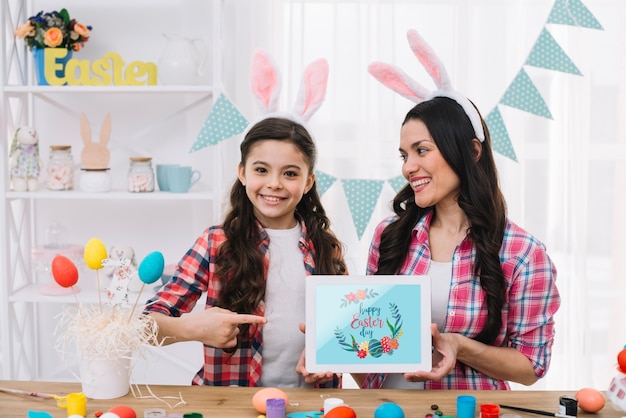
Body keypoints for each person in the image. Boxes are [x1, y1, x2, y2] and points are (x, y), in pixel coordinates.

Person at [357, 29, 561, 390]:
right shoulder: (389, 235)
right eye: (404, 156)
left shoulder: (522, 253)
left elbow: (531, 365)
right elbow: (373, 348)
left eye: (422, 150)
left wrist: (460, 346)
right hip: (387, 408)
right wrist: (330, 347)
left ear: (472, 151)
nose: (408, 167)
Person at [144, 116, 347, 387]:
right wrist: (194, 328)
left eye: (290, 173)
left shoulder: (326, 247)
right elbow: (145, 327)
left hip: (310, 403)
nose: (274, 183)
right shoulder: (216, 242)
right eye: (261, 170)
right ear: (242, 173)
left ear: (308, 182)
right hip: (233, 405)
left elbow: (344, 331)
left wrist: (330, 358)